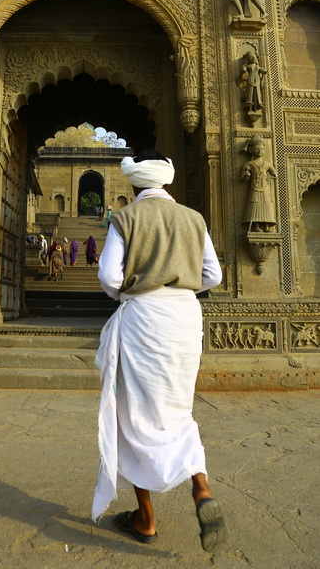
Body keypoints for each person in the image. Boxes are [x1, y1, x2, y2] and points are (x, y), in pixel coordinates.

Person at [92, 150, 227, 553]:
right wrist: (179, 288)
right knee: (178, 411)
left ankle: (146, 519)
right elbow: (213, 275)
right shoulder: (193, 218)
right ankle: (201, 489)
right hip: (186, 320)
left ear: (134, 184)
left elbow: (108, 276)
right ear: (165, 181)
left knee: (134, 416)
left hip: (143, 318)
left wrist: (133, 295)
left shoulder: (127, 217)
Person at [241, 135, 277, 232]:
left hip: (264, 188)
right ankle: (256, 226)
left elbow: (274, 174)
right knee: (255, 206)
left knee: (266, 206)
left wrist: (273, 175)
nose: (260, 151)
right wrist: (246, 175)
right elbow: (242, 177)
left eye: (261, 149)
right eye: (257, 149)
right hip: (255, 188)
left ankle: (266, 226)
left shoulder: (267, 164)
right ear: (251, 150)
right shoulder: (249, 164)